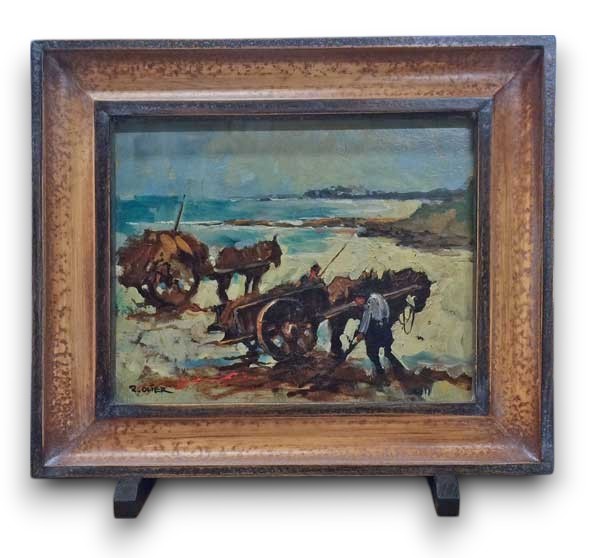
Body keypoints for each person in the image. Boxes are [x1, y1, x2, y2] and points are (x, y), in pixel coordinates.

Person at [353, 289, 405, 385]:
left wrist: (361, 332)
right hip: (385, 328)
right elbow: (387, 312)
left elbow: (367, 317)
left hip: (375, 330)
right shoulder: (379, 297)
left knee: (371, 353)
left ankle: (381, 375)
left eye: (357, 301)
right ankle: (400, 370)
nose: (357, 304)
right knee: (388, 352)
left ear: (361, 298)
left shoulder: (370, 302)